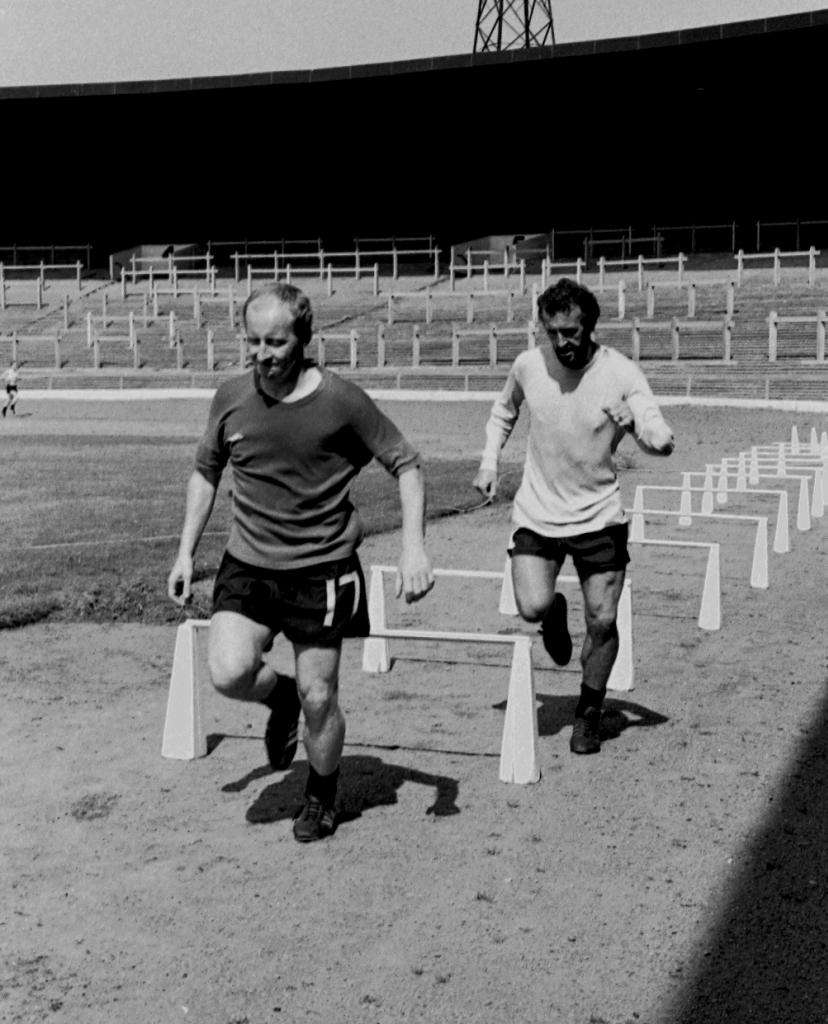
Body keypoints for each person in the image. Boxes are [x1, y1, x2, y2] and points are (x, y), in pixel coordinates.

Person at [167, 282, 434, 841]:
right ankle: (277, 695)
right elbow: (206, 471)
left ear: (304, 340)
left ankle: (321, 793)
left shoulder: (341, 402)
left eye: (276, 342)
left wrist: (414, 547)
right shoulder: (231, 396)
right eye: (253, 341)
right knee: (229, 672)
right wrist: (186, 552)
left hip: (322, 569)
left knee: (321, 697)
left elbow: (406, 464)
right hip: (249, 562)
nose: (262, 354)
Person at [473, 277, 675, 755]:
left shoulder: (621, 373)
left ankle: (589, 711)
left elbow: (661, 437)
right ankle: (553, 614)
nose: (561, 342)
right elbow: (503, 411)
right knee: (531, 607)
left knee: (603, 621)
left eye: (571, 332)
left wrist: (639, 432)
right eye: (552, 332)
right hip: (538, 512)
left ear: (589, 327)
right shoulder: (528, 365)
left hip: (599, 515)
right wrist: (488, 463)